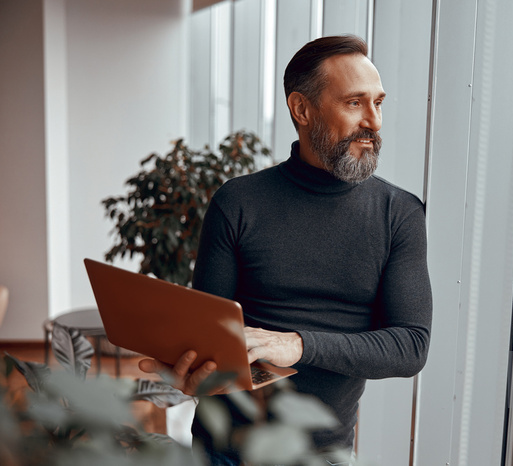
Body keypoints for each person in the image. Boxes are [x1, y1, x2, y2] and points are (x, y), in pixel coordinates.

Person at [139, 34, 432, 465]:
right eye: (355, 103)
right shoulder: (237, 202)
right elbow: (209, 332)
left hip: (324, 454)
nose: (374, 121)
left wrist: (296, 344)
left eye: (379, 102)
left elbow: (410, 346)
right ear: (302, 109)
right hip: (223, 450)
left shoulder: (399, 213)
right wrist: (193, 371)